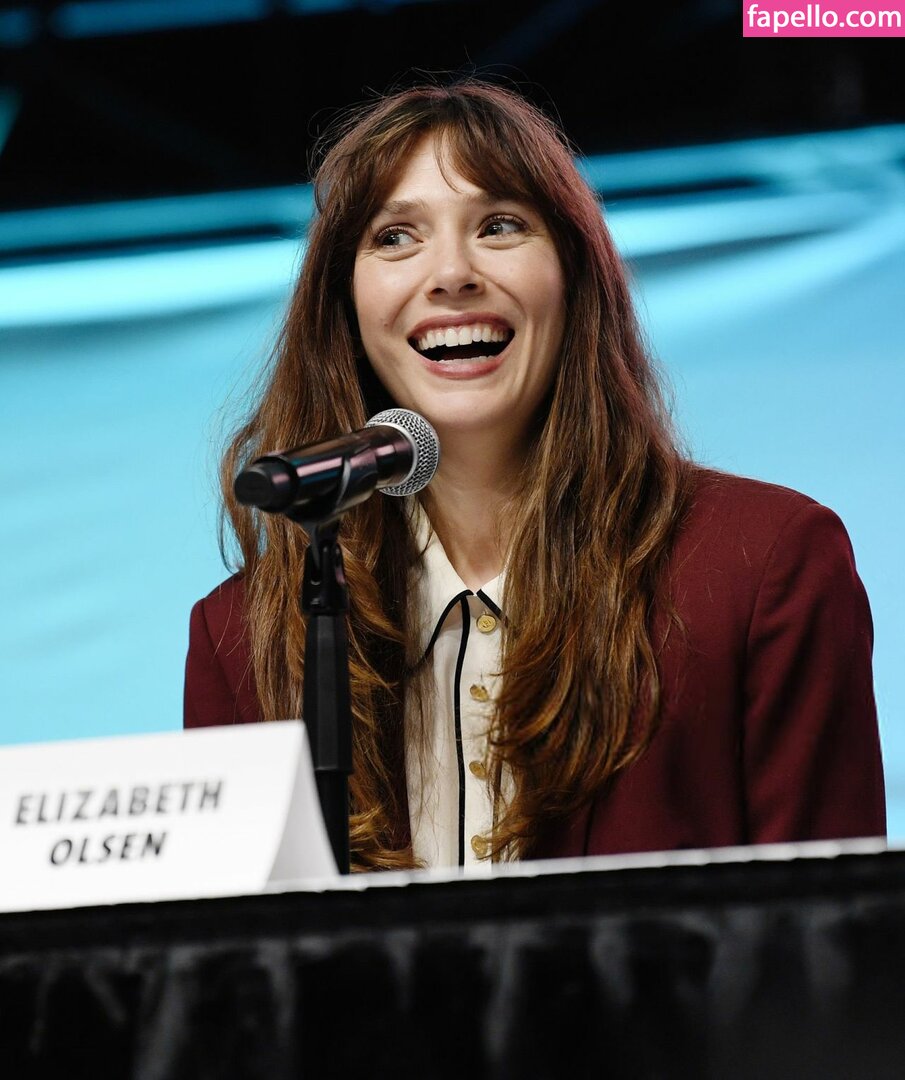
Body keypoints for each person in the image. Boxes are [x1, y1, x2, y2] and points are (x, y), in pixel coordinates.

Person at [184, 79, 885, 872]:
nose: (451, 273)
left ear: (573, 277)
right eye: (395, 237)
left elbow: (831, 934)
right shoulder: (244, 637)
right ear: (342, 305)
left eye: (500, 226)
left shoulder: (763, 567)